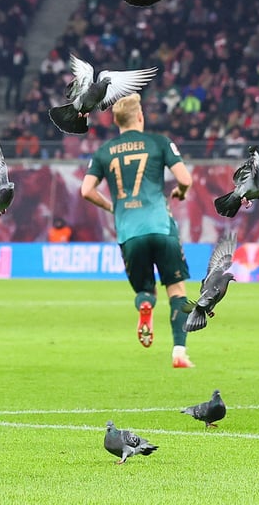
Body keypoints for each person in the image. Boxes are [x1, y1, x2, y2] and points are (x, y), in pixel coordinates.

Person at [80, 93, 195, 368]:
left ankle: (145, 305)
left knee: (145, 290)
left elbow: (86, 190)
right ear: (140, 117)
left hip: (129, 231)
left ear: (116, 121)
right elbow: (185, 179)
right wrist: (180, 191)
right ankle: (179, 352)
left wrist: (113, 207)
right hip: (160, 226)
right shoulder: (159, 142)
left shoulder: (104, 151)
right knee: (176, 289)